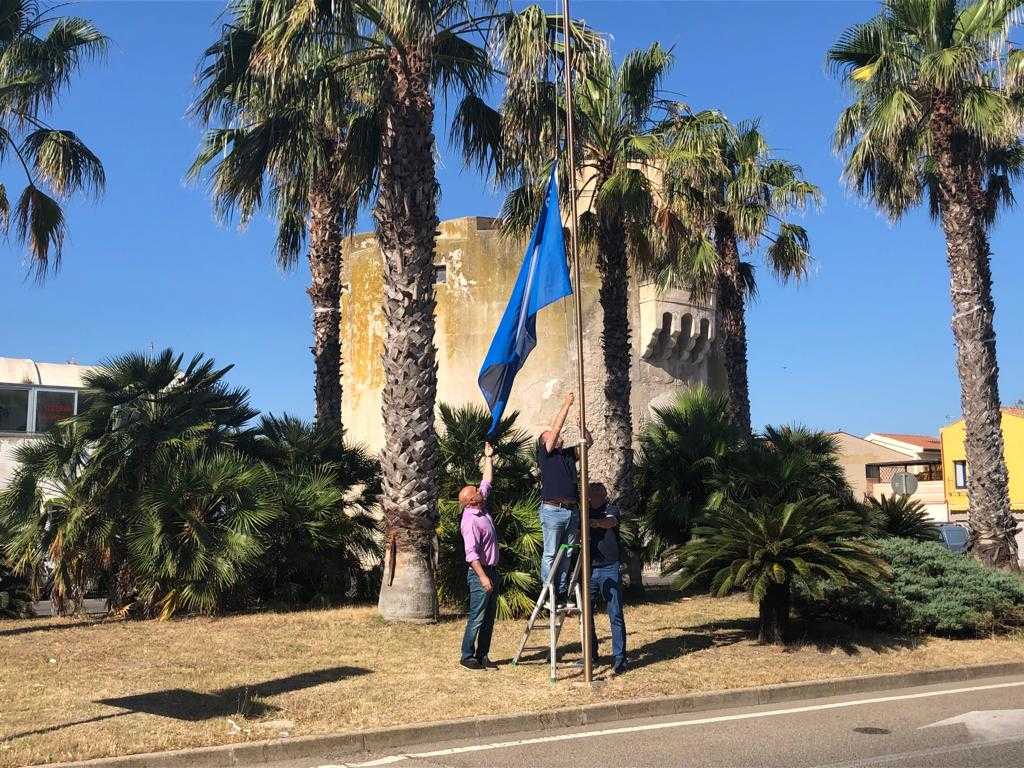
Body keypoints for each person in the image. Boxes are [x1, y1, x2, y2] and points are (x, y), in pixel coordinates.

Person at [459, 442, 500, 671]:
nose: (479, 490)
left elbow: (487, 480)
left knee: (489, 618)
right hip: (480, 573)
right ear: (469, 500)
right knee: (477, 616)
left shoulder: (481, 505)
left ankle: (483, 655)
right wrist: (483, 578)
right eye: (475, 491)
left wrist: (488, 457)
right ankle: (467, 656)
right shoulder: (470, 521)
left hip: (492, 569)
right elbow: (471, 555)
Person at [537, 392, 581, 599]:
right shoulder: (546, 455)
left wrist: (583, 427)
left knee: (568, 553)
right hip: (553, 510)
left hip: (572, 510)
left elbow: (586, 445)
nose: (556, 436)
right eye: (550, 436)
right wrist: (566, 404)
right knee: (551, 553)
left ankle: (562, 592)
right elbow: (554, 431)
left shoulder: (568, 454)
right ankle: (549, 591)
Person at [587, 482, 627, 675]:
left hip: (609, 567)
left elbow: (610, 522)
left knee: (615, 613)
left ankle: (619, 658)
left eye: (599, 493)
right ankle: (591, 655)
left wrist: (593, 523)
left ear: (603, 495)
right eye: (592, 493)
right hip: (589, 569)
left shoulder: (611, 509)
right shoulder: (583, 511)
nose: (595, 496)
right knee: (586, 615)